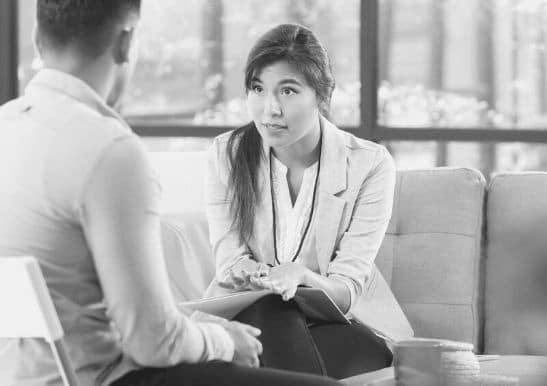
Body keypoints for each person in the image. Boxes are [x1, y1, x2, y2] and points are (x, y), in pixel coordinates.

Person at [0, 2, 339, 386]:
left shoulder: (6, 129)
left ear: (36, 36)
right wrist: (225, 341)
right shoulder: (108, 150)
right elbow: (152, 341)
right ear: (127, 42)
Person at [205, 23, 400, 378]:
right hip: (250, 319)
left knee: (356, 354)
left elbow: (348, 289)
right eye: (258, 88)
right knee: (271, 310)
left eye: (288, 91)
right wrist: (263, 277)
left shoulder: (369, 165)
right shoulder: (227, 155)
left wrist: (303, 277)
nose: (270, 109)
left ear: (322, 96)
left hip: (337, 324)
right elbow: (229, 263)